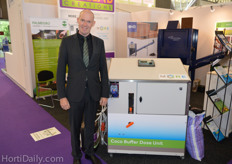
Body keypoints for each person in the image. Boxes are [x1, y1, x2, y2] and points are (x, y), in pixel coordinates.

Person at [56, 9, 109, 164]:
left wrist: (104, 93)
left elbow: (103, 70)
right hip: (73, 93)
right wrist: (62, 96)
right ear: (78, 20)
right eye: (83, 20)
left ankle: (89, 151)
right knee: (75, 126)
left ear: (93, 23)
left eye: (89, 21)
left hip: (93, 92)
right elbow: (60, 70)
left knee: (90, 126)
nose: (85, 24)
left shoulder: (99, 43)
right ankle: (76, 155)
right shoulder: (67, 42)